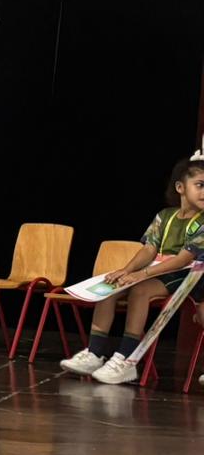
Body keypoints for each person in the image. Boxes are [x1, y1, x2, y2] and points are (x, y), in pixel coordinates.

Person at [61, 155, 204, 385]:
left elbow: (181, 260)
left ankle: (125, 359)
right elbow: (148, 250)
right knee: (112, 286)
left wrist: (141, 274)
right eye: (200, 185)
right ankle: (94, 353)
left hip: (184, 275)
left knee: (140, 291)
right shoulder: (164, 216)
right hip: (157, 270)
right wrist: (126, 271)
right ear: (180, 187)